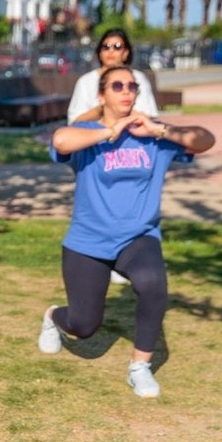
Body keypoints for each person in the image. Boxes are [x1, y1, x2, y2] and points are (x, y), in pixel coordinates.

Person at [38, 65, 215, 398]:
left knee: (153, 285)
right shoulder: (89, 133)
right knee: (84, 326)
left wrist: (160, 132)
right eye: (117, 85)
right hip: (88, 242)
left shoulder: (152, 136)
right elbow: (61, 140)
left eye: (132, 86)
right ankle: (52, 316)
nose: (126, 91)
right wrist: (110, 132)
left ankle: (139, 367)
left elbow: (205, 139)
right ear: (102, 94)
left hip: (138, 237)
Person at [67, 27, 161, 286]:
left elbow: (150, 116)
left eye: (117, 46)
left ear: (127, 51)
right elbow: (73, 122)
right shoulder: (86, 83)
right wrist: (104, 108)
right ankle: (99, 258)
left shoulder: (137, 79)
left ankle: (126, 256)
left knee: (131, 204)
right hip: (96, 154)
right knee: (97, 206)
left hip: (132, 153)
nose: (111, 51)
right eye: (106, 46)